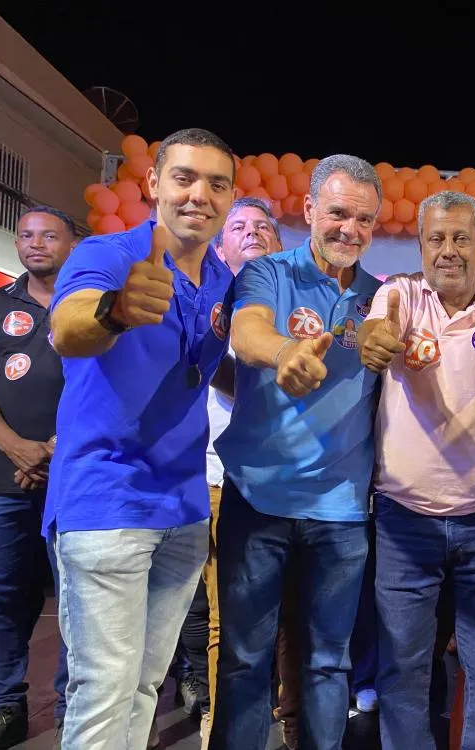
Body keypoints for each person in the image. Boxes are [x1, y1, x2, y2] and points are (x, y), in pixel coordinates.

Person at [45, 127, 236, 749]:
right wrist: (116, 309)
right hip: (108, 503)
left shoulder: (220, 279)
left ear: (230, 198)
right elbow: (68, 327)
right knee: (104, 693)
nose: (199, 195)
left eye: (216, 183)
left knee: (144, 688)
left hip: (182, 509)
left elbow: (210, 364)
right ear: (153, 183)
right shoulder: (109, 254)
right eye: (184, 177)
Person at [209, 154, 383, 750]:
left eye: (363, 220)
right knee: (243, 659)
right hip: (258, 499)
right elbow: (247, 329)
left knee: (329, 664)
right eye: (337, 213)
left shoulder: (379, 298)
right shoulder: (267, 272)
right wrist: (285, 352)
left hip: (342, 511)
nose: (349, 230)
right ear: (309, 209)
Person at [359, 191, 475, 750]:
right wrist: (375, 341)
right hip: (404, 519)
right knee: (403, 672)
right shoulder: (400, 294)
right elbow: (377, 330)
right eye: (437, 238)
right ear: (421, 245)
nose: (449, 250)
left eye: (461, 238)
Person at [167, 196, 283, 746]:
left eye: (263, 226)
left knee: (289, 618)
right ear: (222, 244)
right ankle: (223, 719)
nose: (253, 233)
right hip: (217, 477)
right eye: (239, 227)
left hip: (288, 481)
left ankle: (286, 713)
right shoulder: (207, 299)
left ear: (279, 243)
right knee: (225, 617)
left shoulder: (296, 302)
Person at [0, 207, 75, 750]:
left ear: (71, 244)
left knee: (76, 601)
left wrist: (58, 448)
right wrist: (17, 447)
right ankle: (4, 706)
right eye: (26, 235)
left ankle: (70, 710)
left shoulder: (89, 305)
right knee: (2, 598)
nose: (35, 244)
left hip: (73, 475)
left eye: (49, 235)